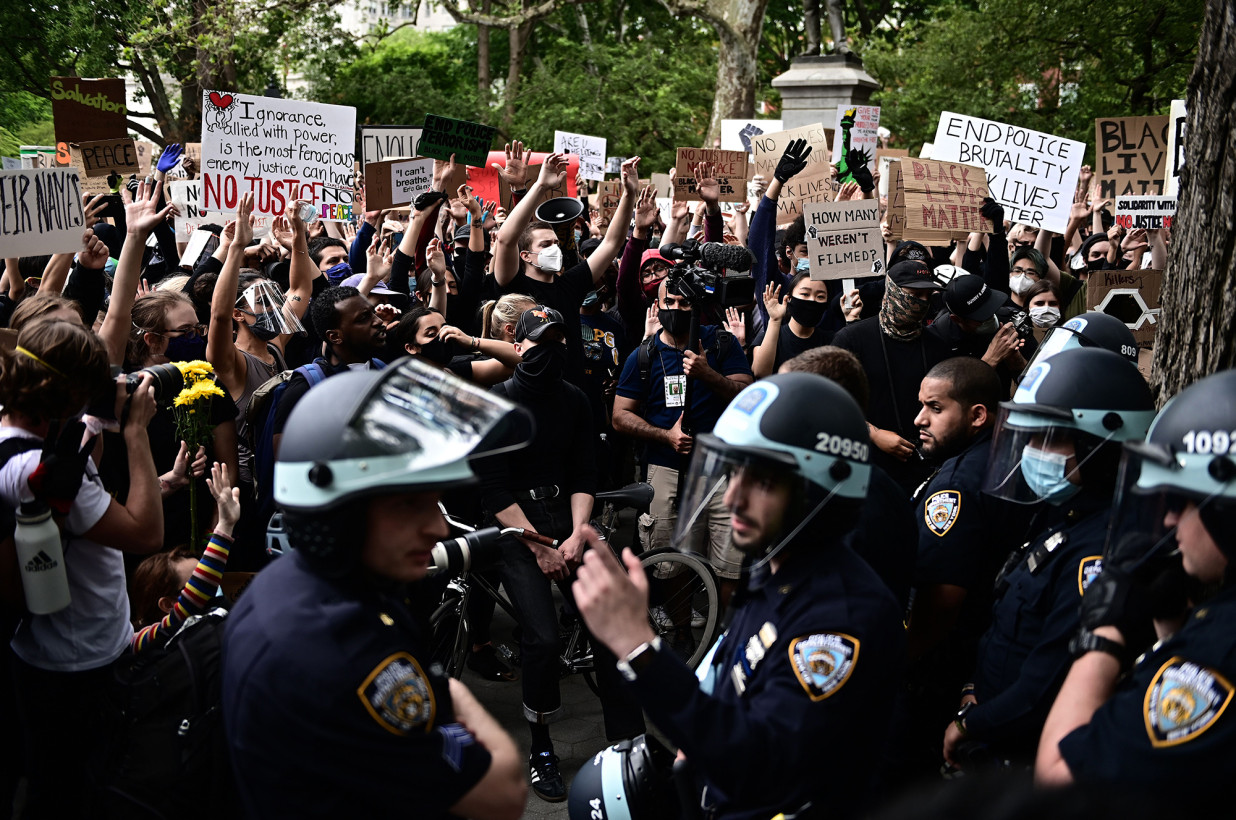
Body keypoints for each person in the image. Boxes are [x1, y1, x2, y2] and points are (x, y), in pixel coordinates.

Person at [573, 373, 905, 819]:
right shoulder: (775, 566)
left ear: (820, 489)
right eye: (732, 472)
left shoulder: (839, 620)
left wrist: (639, 647)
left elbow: (760, 768)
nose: (732, 498)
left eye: (763, 481)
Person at [222, 358, 527, 819]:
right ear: (335, 512)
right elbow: (502, 791)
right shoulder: (350, 652)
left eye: (436, 501)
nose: (438, 528)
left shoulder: (303, 584)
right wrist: (447, 692)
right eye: (409, 505)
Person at [943, 348, 1155, 771]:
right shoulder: (1065, 513)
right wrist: (975, 686)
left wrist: (970, 724)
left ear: (1100, 444)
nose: (1032, 453)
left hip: (1025, 757)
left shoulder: (1101, 552)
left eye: (1047, 437)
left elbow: (1047, 682)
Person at [1036, 369, 1236, 807]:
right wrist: (1172, 629)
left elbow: (1059, 781)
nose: (1168, 519)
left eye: (1184, 500)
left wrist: (1103, 636)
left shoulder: (1218, 656)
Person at [475, 305, 643, 800]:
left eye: (558, 343)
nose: (550, 351)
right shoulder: (498, 404)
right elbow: (494, 489)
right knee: (543, 640)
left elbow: (583, 473)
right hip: (514, 529)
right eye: (540, 342)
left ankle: (627, 744)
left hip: (566, 522)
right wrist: (540, 546)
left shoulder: (573, 400)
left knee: (612, 627)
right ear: (518, 345)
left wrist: (576, 533)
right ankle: (542, 745)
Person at [0, 320, 162, 817]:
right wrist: (135, 434)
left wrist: (94, 421)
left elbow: (75, 461)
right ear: (67, 395)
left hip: (45, 652)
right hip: (78, 662)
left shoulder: (22, 442)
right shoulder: (35, 473)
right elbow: (145, 533)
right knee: (74, 791)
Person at [901, 358, 1032, 775]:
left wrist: (900, 659)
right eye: (922, 405)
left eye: (936, 408)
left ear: (978, 415)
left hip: (952, 665)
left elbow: (941, 599)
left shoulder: (956, 482)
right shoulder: (1004, 453)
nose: (920, 419)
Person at [612, 276, 754, 600]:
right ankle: (682, 637)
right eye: (670, 303)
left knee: (729, 562)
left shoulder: (721, 344)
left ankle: (718, 634)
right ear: (658, 307)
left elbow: (748, 395)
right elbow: (620, 416)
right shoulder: (644, 355)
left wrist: (709, 375)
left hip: (722, 472)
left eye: (685, 303)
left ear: (697, 307)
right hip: (666, 471)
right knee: (669, 562)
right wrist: (665, 436)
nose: (676, 309)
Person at [832, 259, 953, 494]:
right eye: (915, 294)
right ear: (893, 291)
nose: (922, 302)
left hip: (924, 469)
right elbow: (832, 403)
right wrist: (875, 435)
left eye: (928, 296)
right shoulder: (851, 339)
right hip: (867, 469)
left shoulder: (937, 346)